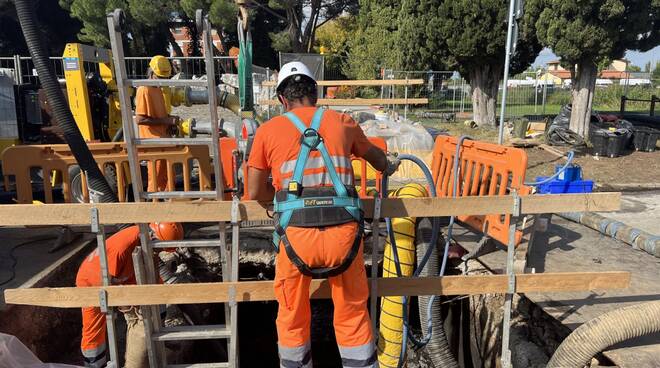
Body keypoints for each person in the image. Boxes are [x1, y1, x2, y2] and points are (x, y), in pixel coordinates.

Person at [247, 62, 399, 368]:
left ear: (282, 99)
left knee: (291, 313)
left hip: (295, 239)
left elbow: (254, 191)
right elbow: (378, 159)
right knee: (353, 310)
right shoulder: (342, 121)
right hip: (344, 237)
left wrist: (274, 202)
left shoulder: (268, 130)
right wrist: (389, 165)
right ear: (315, 94)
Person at [76, 222, 184, 368]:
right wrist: (127, 305)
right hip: (91, 279)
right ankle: (94, 365)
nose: (160, 252)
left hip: (124, 272)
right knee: (94, 329)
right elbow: (108, 283)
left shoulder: (143, 241)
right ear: (153, 238)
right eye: (160, 248)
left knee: (156, 297)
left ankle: (156, 340)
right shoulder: (122, 248)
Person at [135, 55, 179, 192]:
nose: (162, 80)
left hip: (163, 140)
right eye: (160, 77)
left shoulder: (157, 89)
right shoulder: (144, 89)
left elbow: (159, 115)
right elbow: (140, 119)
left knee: (167, 177)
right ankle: (154, 205)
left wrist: (170, 121)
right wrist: (166, 121)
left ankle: (168, 206)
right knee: (156, 177)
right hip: (153, 142)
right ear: (152, 73)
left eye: (164, 78)